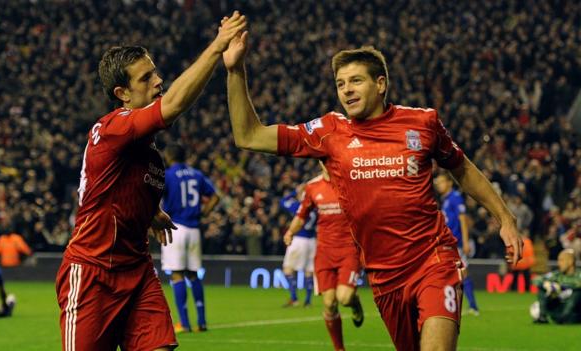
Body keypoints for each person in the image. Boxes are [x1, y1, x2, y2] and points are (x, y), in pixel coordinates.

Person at [223, 34, 523, 350]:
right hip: (384, 277)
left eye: (355, 81)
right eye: (340, 84)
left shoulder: (422, 122)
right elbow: (249, 136)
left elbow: (461, 168)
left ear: (380, 84)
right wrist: (235, 71)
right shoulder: (328, 131)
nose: (346, 90)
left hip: (433, 259)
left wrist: (504, 217)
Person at [55, 12, 246, 351]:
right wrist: (217, 47)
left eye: (155, 71)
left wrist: (151, 212)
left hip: (137, 270)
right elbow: (172, 106)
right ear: (122, 93)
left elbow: (115, 187)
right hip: (92, 273)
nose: (158, 81)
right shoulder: (113, 127)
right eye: (146, 78)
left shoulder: (152, 157)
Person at [284, 161, 363, 351]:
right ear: (321, 162)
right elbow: (301, 214)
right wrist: (290, 232)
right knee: (329, 303)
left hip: (348, 251)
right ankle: (339, 348)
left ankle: (355, 304)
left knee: (344, 298)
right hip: (324, 253)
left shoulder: (351, 182)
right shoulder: (313, 187)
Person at [160, 143, 220, 333]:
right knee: (193, 274)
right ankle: (202, 322)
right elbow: (214, 197)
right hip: (194, 229)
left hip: (175, 228)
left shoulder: (168, 175)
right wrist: (203, 213)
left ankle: (184, 323)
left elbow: (155, 199)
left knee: (177, 275)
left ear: (169, 156)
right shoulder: (196, 174)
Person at [434, 173, 479, 315]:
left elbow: (463, 219)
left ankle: (473, 306)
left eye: (441, 182)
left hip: (457, 243)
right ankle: (449, 304)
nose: (438, 185)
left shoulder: (455, 197)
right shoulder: (445, 199)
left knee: (462, 273)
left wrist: (466, 241)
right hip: (447, 243)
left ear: (449, 183)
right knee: (450, 274)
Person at [279, 185, 317, 307]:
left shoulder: (298, 206)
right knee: (309, 271)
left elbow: (283, 202)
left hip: (299, 239)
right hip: (312, 241)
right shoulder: (316, 208)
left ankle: (294, 298)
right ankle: (308, 301)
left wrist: (295, 191)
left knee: (288, 269)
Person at [530, 249, 581, 324]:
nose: (559, 263)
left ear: (570, 262)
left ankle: (565, 317)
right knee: (542, 288)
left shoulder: (579, 275)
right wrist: (546, 284)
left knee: (578, 292)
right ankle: (542, 317)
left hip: (576, 311)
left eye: (561, 260)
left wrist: (561, 287)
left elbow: (578, 284)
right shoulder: (556, 275)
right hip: (559, 307)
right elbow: (536, 280)